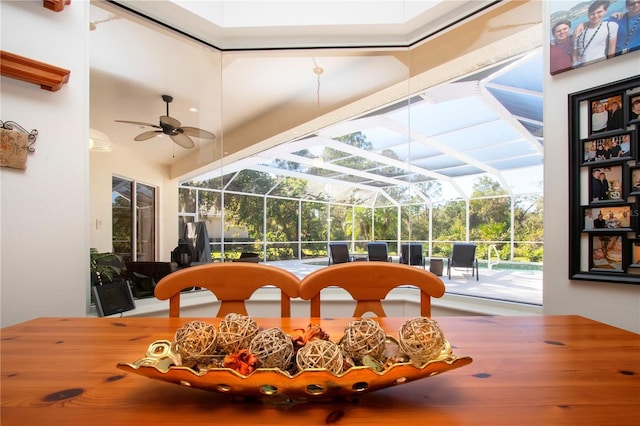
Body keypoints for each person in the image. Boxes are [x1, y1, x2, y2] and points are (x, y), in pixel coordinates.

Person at [573, 1, 618, 66]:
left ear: (605, 11)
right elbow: (575, 54)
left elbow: (611, 50)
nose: (595, 16)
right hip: (582, 67)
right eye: (592, 14)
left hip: (601, 64)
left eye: (599, 12)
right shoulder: (579, 30)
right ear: (588, 15)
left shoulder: (610, 26)